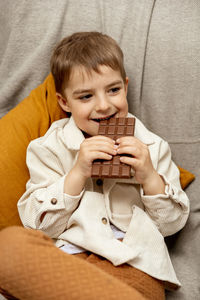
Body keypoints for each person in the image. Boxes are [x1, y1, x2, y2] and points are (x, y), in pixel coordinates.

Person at [0, 32, 189, 300]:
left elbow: (172, 224)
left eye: (113, 90)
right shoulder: (47, 148)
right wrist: (77, 173)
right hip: (68, 258)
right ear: (64, 102)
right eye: (86, 96)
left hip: (133, 261)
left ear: (125, 86)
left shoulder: (152, 147)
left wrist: (149, 177)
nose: (103, 106)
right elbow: (37, 225)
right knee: (9, 247)